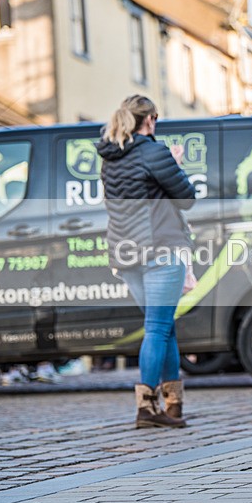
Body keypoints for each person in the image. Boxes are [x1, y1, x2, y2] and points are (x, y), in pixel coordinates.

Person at [96, 95, 196, 427]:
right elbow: (186, 199)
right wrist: (177, 165)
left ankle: (174, 405)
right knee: (157, 327)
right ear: (150, 120)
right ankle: (146, 407)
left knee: (162, 327)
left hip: (125, 253)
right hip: (160, 249)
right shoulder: (154, 151)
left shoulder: (109, 157)